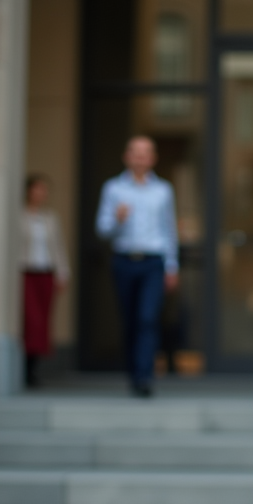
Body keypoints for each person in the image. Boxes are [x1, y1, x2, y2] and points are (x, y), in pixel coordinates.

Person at [95, 135, 179, 397]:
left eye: (146, 152)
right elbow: (102, 229)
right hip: (123, 261)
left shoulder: (163, 190)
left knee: (147, 319)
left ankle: (144, 377)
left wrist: (172, 266)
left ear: (153, 158)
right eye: (135, 151)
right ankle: (133, 372)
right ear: (126, 157)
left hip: (153, 262)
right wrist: (117, 220)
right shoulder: (113, 189)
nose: (140, 156)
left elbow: (169, 230)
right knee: (130, 320)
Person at [20, 174, 70, 387]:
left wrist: (63, 272)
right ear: (29, 191)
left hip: (46, 272)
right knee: (31, 320)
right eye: (37, 189)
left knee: (43, 322)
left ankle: (33, 369)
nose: (41, 193)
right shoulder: (18, 216)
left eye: (44, 189)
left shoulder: (50, 218)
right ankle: (24, 368)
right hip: (25, 272)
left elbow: (57, 246)